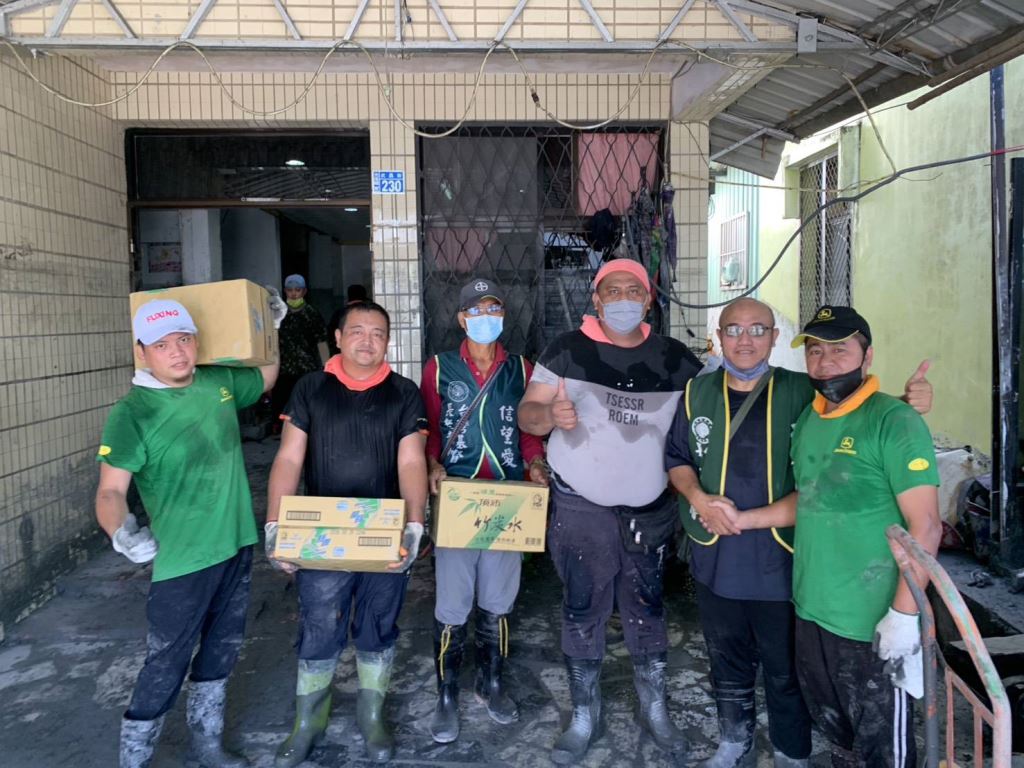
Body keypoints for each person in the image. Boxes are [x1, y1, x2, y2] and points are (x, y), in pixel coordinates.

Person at [664, 298, 932, 768]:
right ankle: (734, 741)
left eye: (758, 329)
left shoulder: (803, 393)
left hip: (783, 562)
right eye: (734, 329)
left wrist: (909, 403)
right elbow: (677, 458)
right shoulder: (697, 393)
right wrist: (700, 500)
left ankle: (792, 752)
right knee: (730, 659)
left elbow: (859, 410)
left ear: (773, 338)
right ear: (718, 338)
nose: (745, 340)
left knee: (787, 669)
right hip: (722, 555)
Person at [518, 258, 700, 764]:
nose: (622, 299)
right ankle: (583, 715)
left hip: (650, 509)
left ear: (648, 300)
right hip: (581, 506)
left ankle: (655, 709)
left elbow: (712, 411)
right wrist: (549, 414)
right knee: (583, 607)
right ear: (596, 300)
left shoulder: (676, 358)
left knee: (648, 607)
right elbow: (527, 415)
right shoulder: (566, 350)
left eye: (633, 290)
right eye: (612, 290)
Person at [96, 293, 284, 768]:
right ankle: (135, 759)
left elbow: (265, 377)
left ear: (196, 340)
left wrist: (271, 328)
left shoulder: (217, 380)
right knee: (167, 660)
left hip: (236, 545)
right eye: (162, 345)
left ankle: (207, 745)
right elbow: (110, 491)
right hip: (182, 559)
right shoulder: (132, 411)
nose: (176, 352)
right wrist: (121, 532)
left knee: (222, 650)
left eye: (183, 339)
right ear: (142, 352)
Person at [265, 300, 428, 766]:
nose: (367, 341)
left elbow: (411, 460)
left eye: (378, 333)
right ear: (337, 338)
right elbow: (289, 457)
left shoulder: (404, 393)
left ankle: (371, 716)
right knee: (319, 626)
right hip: (321, 538)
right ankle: (308, 721)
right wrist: (276, 523)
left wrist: (415, 525)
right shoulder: (311, 388)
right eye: (356, 331)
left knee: (378, 625)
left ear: (388, 341)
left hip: (385, 535)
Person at [786, 306, 941, 767]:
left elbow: (927, 526)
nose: (825, 362)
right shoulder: (810, 419)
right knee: (839, 735)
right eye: (816, 351)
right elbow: (810, 500)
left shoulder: (895, 420)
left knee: (883, 749)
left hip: (872, 623)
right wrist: (740, 518)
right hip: (812, 611)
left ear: (867, 356)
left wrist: (903, 616)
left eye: (840, 349)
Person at [419, 277, 548, 744]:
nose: (485, 318)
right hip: (457, 498)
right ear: (461, 318)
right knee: (453, 604)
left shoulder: (521, 369)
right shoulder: (439, 368)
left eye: (493, 309)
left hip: (508, 500)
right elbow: (430, 429)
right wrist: (432, 464)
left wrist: (535, 462)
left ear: (503, 316)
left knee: (498, 600)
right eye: (476, 310)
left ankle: (491, 682)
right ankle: (447, 693)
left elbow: (529, 430)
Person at [271, 274, 328, 428]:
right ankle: (281, 429)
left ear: (304, 291)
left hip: (307, 369)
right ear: (285, 291)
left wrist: (326, 366)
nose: (294, 294)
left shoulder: (312, 313)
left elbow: (321, 341)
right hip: (283, 369)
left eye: (297, 290)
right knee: (282, 402)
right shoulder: (279, 314)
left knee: (306, 401)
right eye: (290, 290)